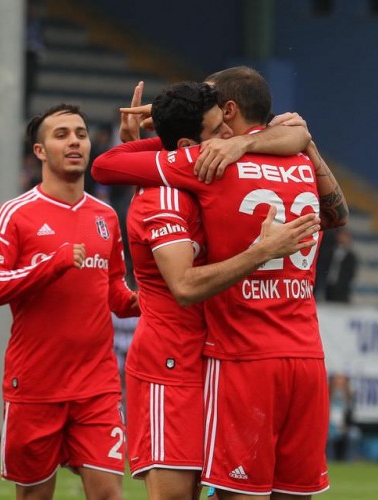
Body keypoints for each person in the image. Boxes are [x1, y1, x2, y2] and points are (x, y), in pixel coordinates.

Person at [92, 68, 348, 499]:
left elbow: (105, 165)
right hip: (304, 355)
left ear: (229, 111)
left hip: (241, 357)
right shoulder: (301, 158)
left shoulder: (208, 163)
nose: (222, 133)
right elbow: (335, 212)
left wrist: (163, 138)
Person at [0, 103, 140, 500]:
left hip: (97, 385)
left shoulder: (105, 216)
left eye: (80, 134)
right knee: (35, 496)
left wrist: (148, 300)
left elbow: (115, 292)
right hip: (35, 386)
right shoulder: (15, 214)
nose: (74, 142)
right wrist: (52, 264)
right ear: (40, 151)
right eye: (61, 135)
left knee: (108, 494)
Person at [324, 227, 358, 303]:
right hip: (328, 288)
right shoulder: (330, 252)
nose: (342, 238)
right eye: (341, 235)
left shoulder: (351, 256)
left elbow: (350, 274)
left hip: (342, 291)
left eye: (345, 236)